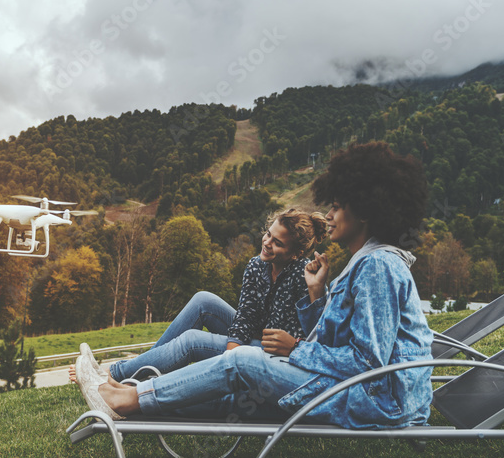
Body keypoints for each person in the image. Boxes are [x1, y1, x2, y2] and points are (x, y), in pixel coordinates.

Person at [74, 141, 434, 430]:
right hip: (354, 389)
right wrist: (317, 293)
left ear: (367, 211)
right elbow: (334, 343)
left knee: (241, 362)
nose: (329, 215)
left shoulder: (378, 266)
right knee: (238, 393)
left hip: (379, 401)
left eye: (338, 207)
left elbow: (367, 363)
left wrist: (295, 350)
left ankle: (129, 398)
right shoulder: (365, 262)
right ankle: (135, 392)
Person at [69, 208, 328, 386]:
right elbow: (246, 315)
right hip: (253, 336)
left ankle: (111, 375)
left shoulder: (303, 275)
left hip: (275, 352)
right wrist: (233, 346)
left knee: (192, 341)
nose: (267, 242)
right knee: (203, 299)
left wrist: (236, 355)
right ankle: (140, 370)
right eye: (268, 233)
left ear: (295, 253)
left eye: (277, 243)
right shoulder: (256, 266)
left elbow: (313, 335)